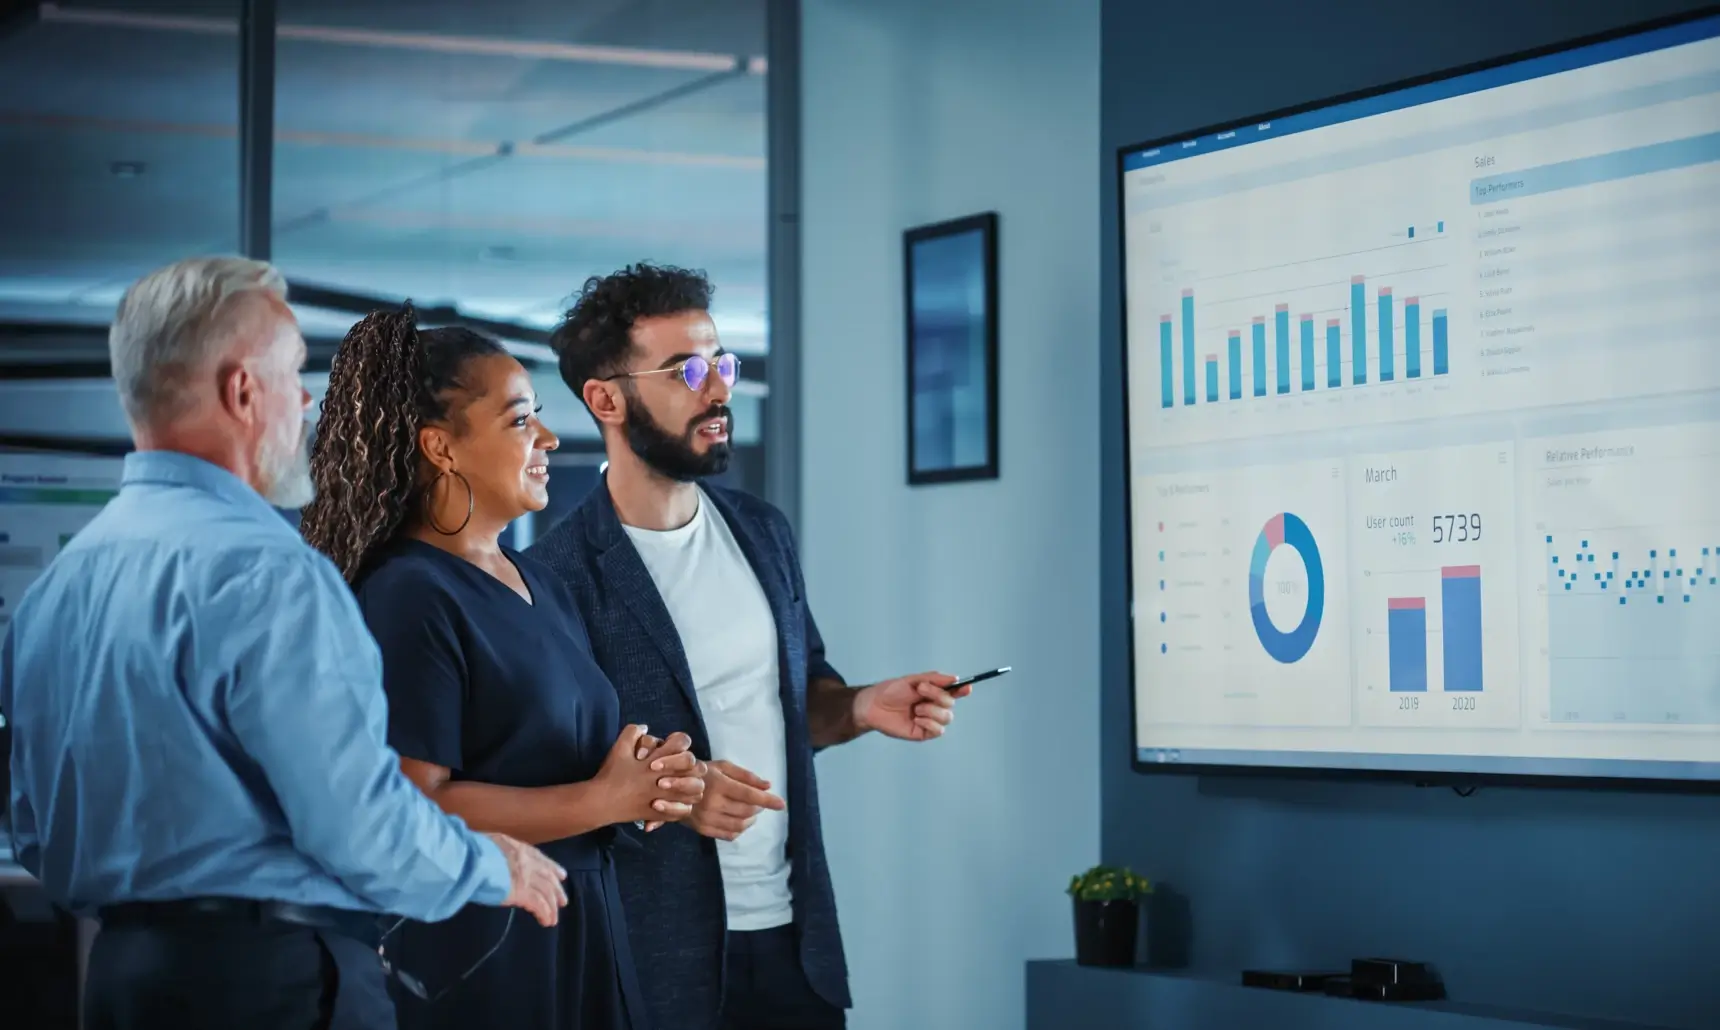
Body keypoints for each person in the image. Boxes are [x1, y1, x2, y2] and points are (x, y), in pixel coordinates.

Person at [0, 257, 569, 1030]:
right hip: (273, 983)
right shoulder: (267, 572)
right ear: (241, 391)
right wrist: (488, 865)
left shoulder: (59, 588)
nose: (304, 401)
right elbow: (354, 823)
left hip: (120, 980)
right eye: (294, 373)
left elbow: (33, 829)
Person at [528, 263, 973, 1030]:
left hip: (796, 946)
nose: (719, 389)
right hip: (654, 960)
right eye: (686, 370)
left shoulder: (761, 531)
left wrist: (861, 706)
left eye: (722, 363)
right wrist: (678, 793)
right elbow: (560, 778)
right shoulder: (556, 577)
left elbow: (799, 700)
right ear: (605, 398)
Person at [298, 307, 707, 1030]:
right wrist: (602, 800)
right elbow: (410, 806)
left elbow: (557, 758)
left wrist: (649, 778)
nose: (549, 438)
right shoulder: (406, 597)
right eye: (521, 421)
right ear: (440, 447)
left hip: (582, 925)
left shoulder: (536, 580)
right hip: (489, 949)